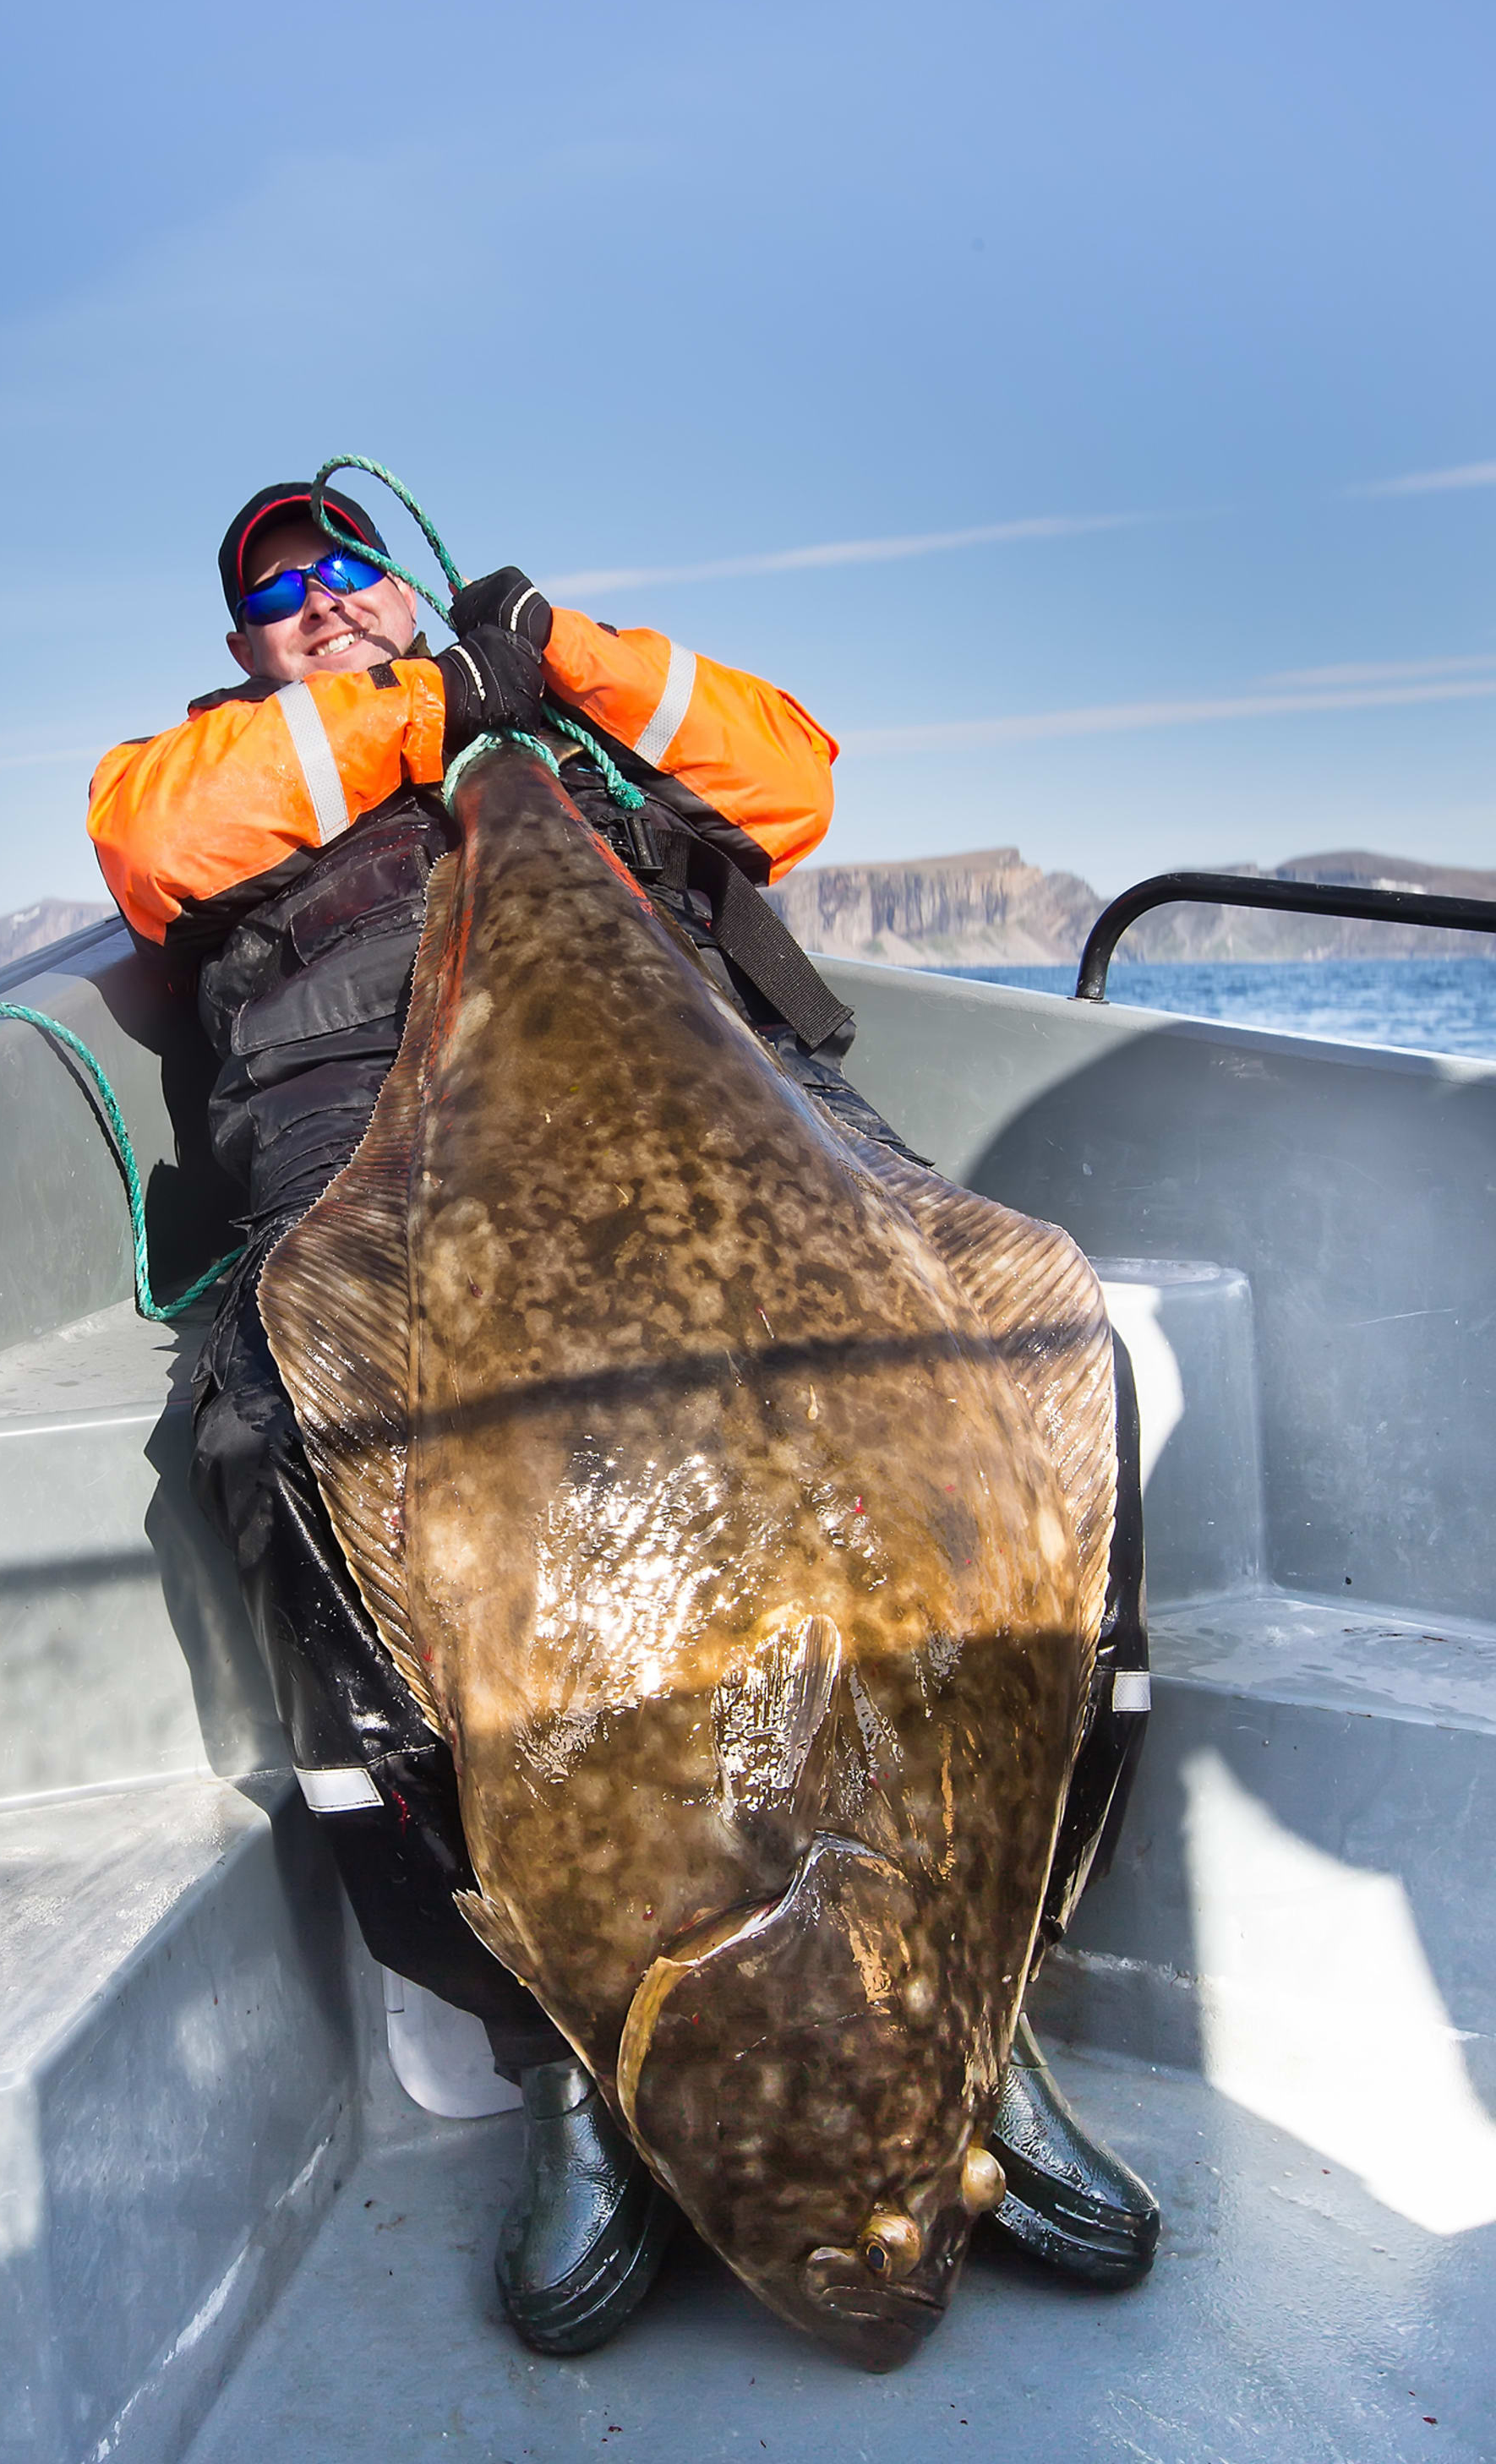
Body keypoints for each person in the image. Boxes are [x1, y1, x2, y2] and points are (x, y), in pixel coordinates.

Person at [88, 478, 1158, 2354]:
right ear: (242, 640)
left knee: (1040, 1384)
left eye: (352, 568)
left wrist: (549, 654)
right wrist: (429, 714)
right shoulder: (202, 767)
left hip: (759, 1134)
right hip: (397, 1157)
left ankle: (987, 2013)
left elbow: (785, 781)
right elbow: (161, 855)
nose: (325, 601)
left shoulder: (572, 713)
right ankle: (559, 2052)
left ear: (407, 584)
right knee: (289, 1455)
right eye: (281, 589)